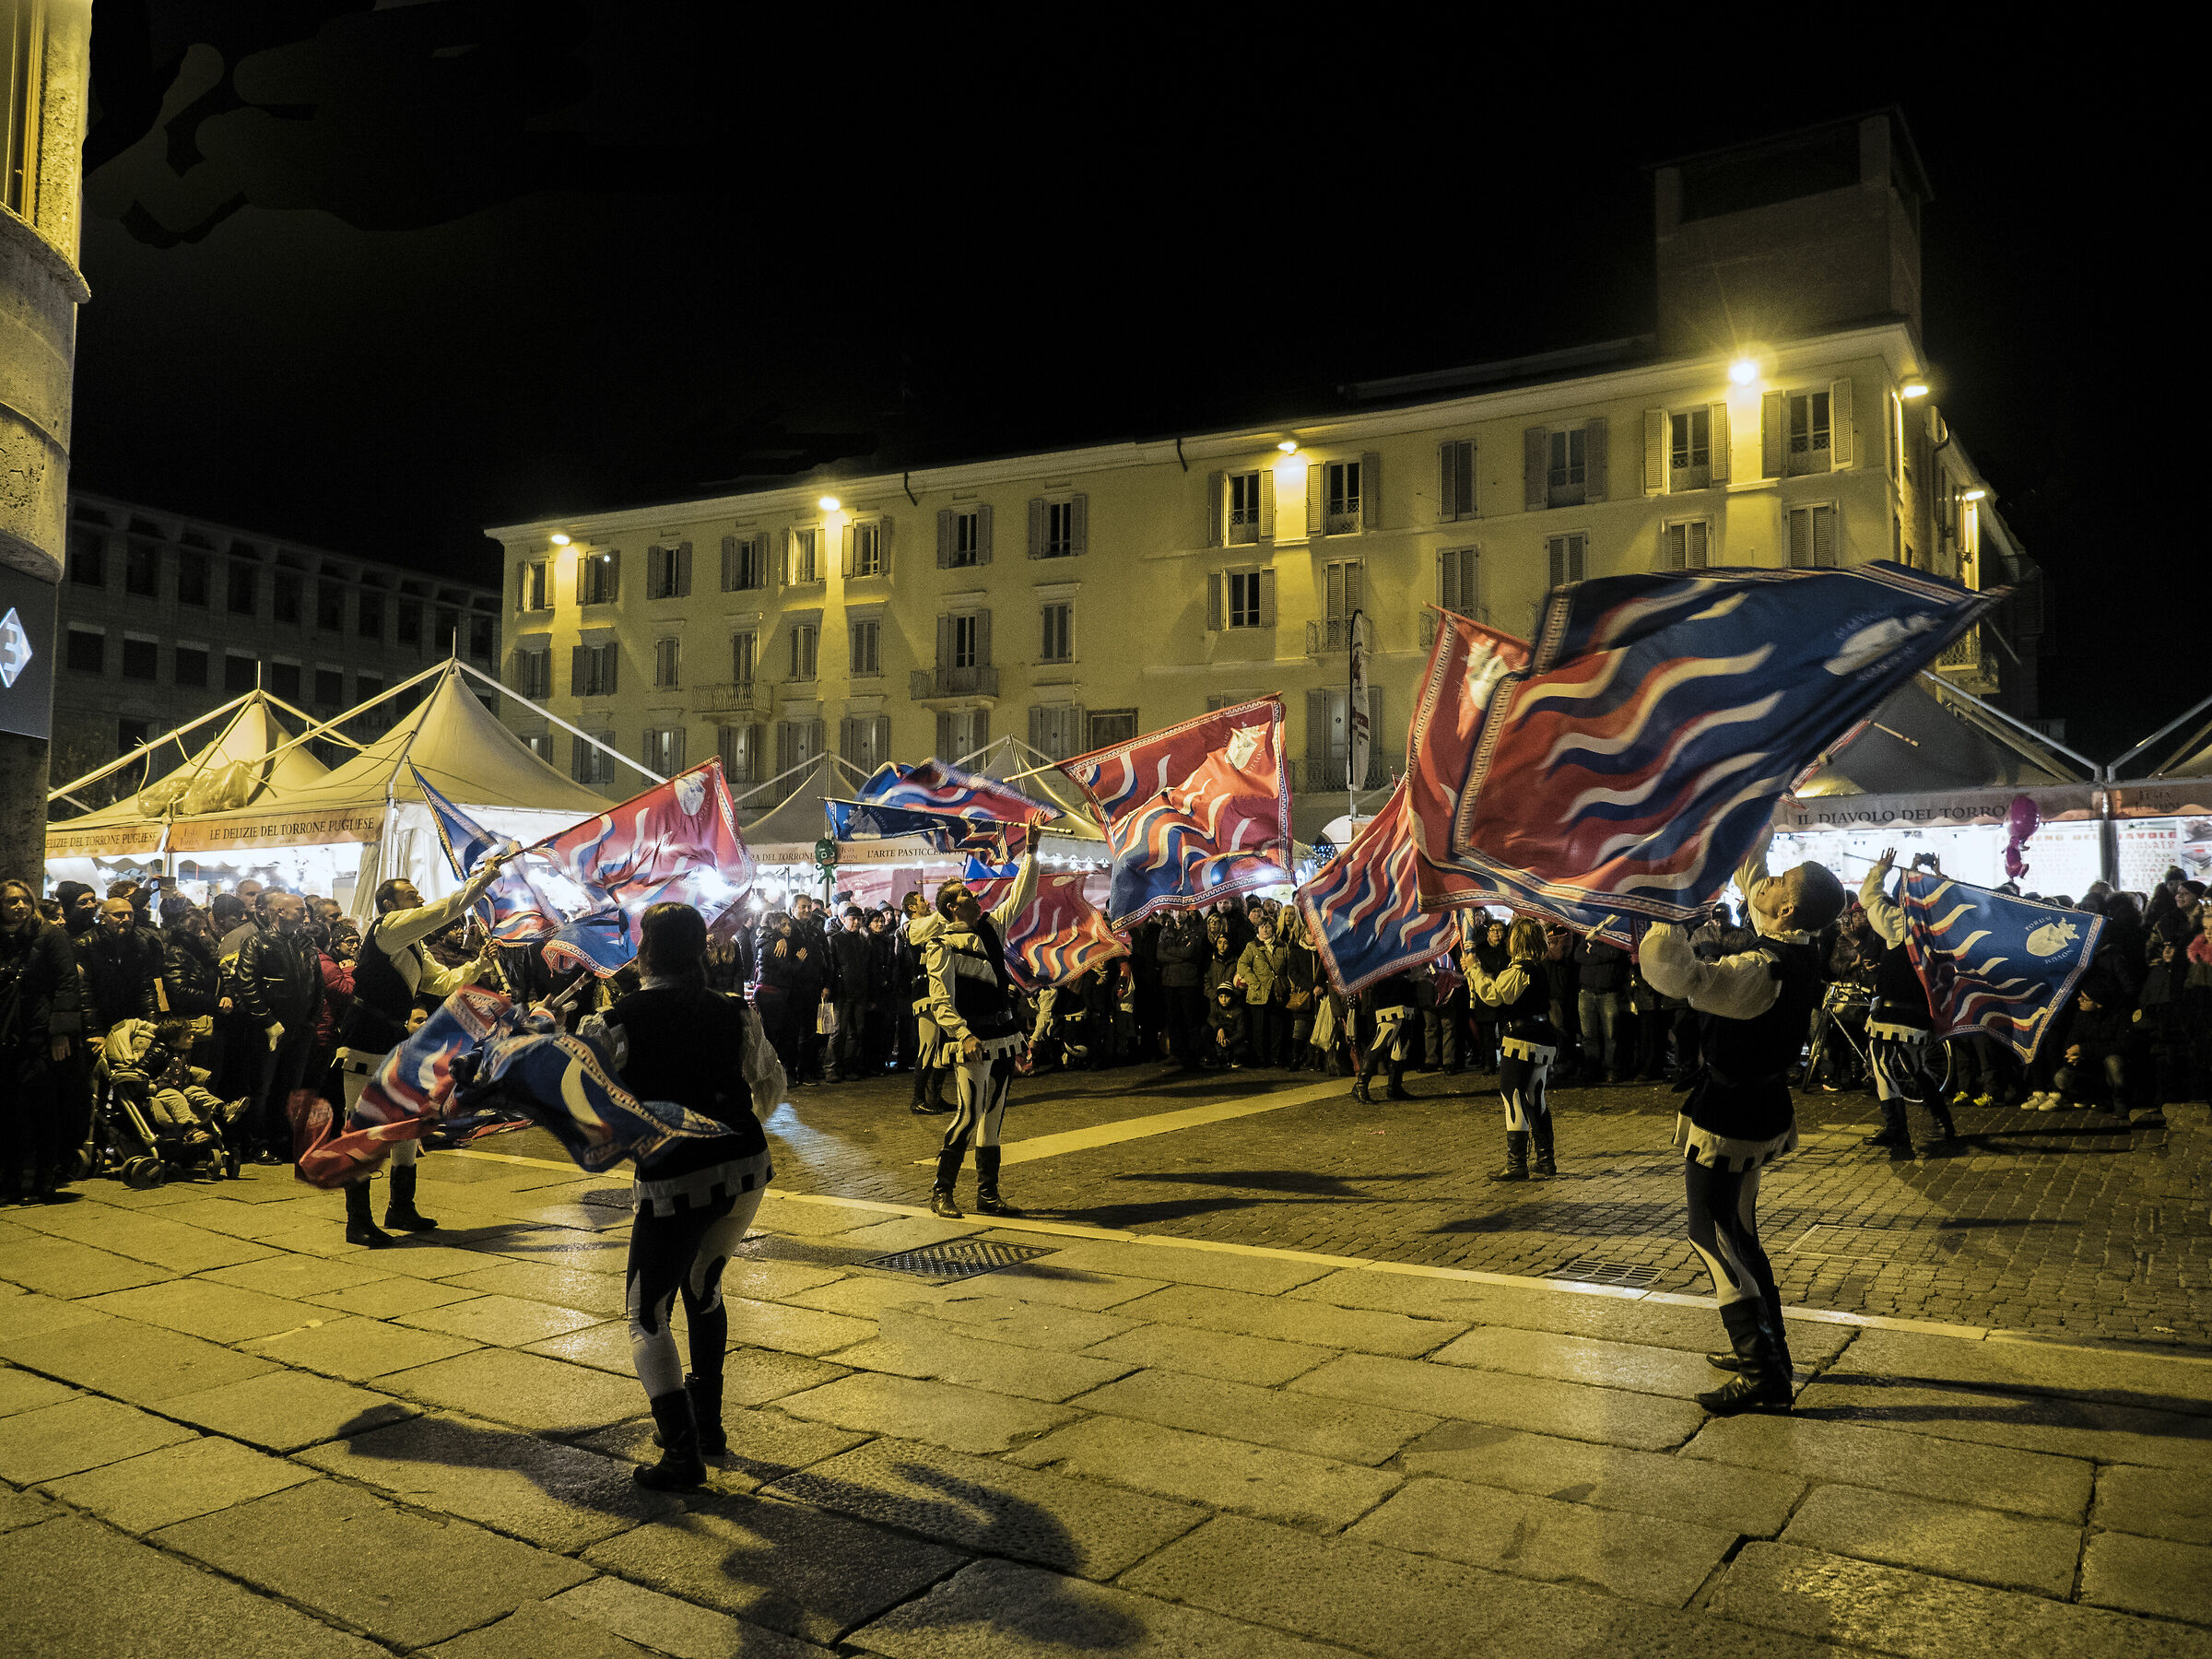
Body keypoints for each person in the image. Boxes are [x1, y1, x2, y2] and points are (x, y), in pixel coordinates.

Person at [1640, 835, 1846, 1415]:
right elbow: (1755, 874)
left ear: (1786, 911)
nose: (1771, 879)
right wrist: (1746, 819)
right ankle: (1769, 1344)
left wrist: (1669, 913)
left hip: (1731, 1112)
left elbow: (1680, 978)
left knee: (1709, 1234)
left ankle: (1763, 1371)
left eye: (1785, 880)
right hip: (1758, 1106)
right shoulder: (1796, 941)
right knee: (1740, 1229)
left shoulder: (1763, 969)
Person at [571, 901, 773, 1490]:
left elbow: (588, 1108)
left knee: (645, 1312)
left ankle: (684, 1454)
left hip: (675, 1174)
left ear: (644, 950)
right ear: (700, 949)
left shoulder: (617, 1019)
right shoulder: (735, 1010)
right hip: (744, 1163)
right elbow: (770, 1084)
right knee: (703, 1285)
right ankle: (706, 1425)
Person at [333, 863, 506, 1245]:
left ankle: (401, 1208)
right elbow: (443, 910)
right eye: (411, 896)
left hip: (394, 1038)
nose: (420, 899)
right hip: (366, 1039)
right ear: (388, 904)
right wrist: (483, 882)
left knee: (408, 1122)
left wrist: (479, 963)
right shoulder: (390, 928)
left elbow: (441, 981)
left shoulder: (410, 941)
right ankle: (357, 1221)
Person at [923, 853, 1040, 1218]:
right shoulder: (941, 944)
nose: (975, 896)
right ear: (953, 908)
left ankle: (987, 1195)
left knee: (993, 1117)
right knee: (968, 1115)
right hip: (972, 1038)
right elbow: (941, 1000)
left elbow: (1022, 892)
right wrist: (962, 1034)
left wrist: (1032, 852)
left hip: (1003, 1033)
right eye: (965, 894)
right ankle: (941, 1192)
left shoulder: (992, 927)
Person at [1856, 850, 1958, 1152]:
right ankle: (1943, 1121)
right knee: (1914, 1064)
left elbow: (1869, 899)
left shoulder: (1900, 922)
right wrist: (1932, 875)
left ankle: (1896, 1128)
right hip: (1920, 1008)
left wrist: (1880, 869)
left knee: (1881, 1061)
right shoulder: (1938, 924)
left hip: (1894, 1009)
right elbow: (1945, 898)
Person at [1, 880, 85, 1203]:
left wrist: (61, 1031)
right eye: (11, 901)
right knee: (8, 1110)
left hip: (39, 1032)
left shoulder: (51, 934)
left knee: (40, 1108)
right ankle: (10, 1179)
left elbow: (66, 983)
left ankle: (42, 1179)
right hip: (8, 1032)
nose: (19, 906)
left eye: (24, 900)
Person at [234, 894, 327, 1164]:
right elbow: (246, 983)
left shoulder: (304, 942)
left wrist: (312, 1019)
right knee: (261, 1088)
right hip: (269, 1030)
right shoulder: (258, 942)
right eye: (299, 910)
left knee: (290, 1088)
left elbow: (317, 983)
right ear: (279, 911)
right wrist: (267, 1021)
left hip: (300, 1029)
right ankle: (257, 1142)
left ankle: (283, 1140)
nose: (305, 915)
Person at [1465, 919, 1561, 1178]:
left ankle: (1517, 1164)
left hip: (1521, 1038)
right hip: (1542, 1037)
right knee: (1535, 1097)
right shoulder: (1538, 967)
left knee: (1513, 1096)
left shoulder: (1520, 969)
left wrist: (1475, 971)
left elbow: (1496, 996)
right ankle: (1545, 1160)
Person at [825, 904, 875, 1082]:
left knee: (855, 1032)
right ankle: (831, 1068)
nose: (856, 922)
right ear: (843, 920)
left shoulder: (863, 941)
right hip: (842, 992)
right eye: (853, 919)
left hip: (859, 992)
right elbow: (831, 967)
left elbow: (867, 968)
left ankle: (847, 1067)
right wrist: (829, 987)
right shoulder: (835, 939)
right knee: (838, 1031)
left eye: (859, 919)